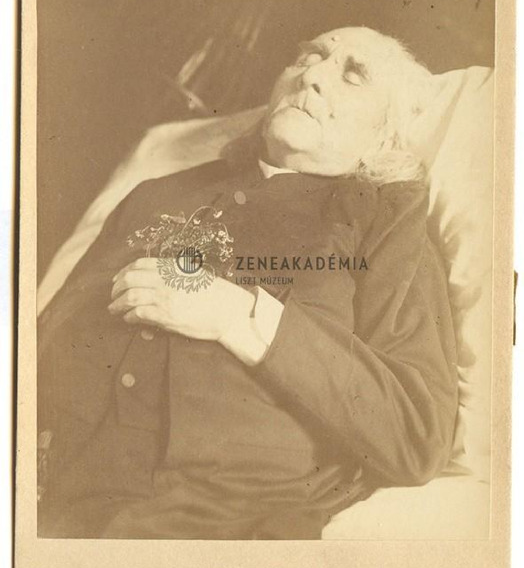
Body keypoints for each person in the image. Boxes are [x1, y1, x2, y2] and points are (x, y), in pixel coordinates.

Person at [37, 26, 459, 539]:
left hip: (223, 528)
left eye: (353, 76)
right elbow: (46, 341)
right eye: (309, 56)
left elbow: (417, 433)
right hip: (65, 503)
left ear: (385, 135)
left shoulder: (384, 221)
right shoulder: (156, 194)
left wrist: (235, 317)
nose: (312, 74)